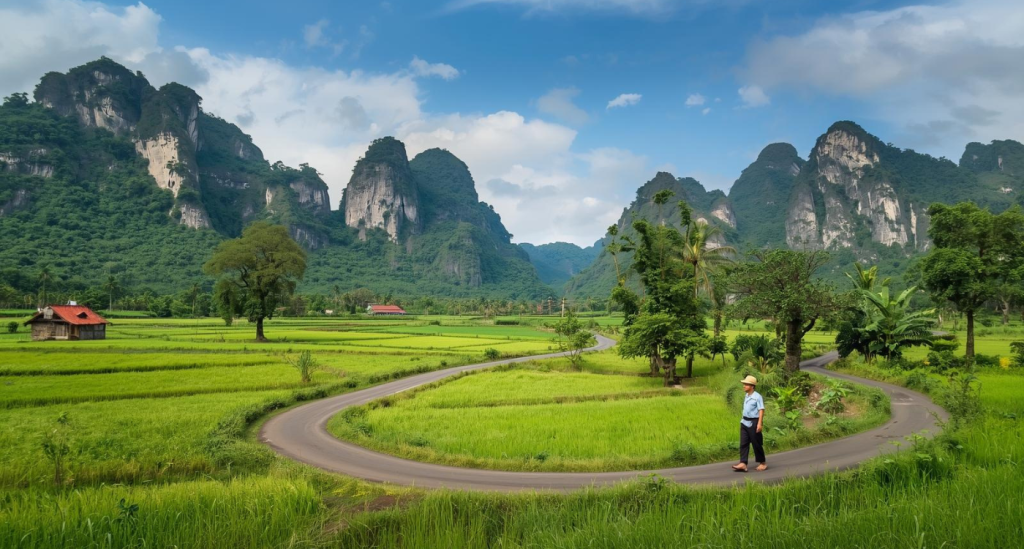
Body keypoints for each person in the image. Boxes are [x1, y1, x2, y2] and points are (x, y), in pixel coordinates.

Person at [732, 375, 767, 472]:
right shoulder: (746, 395)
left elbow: (761, 410)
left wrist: (759, 424)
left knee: (756, 443)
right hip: (744, 421)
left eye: (746, 384)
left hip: (753, 422)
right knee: (743, 443)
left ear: (752, 386)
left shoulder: (757, 397)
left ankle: (762, 463)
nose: (744, 386)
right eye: (744, 384)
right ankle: (743, 463)